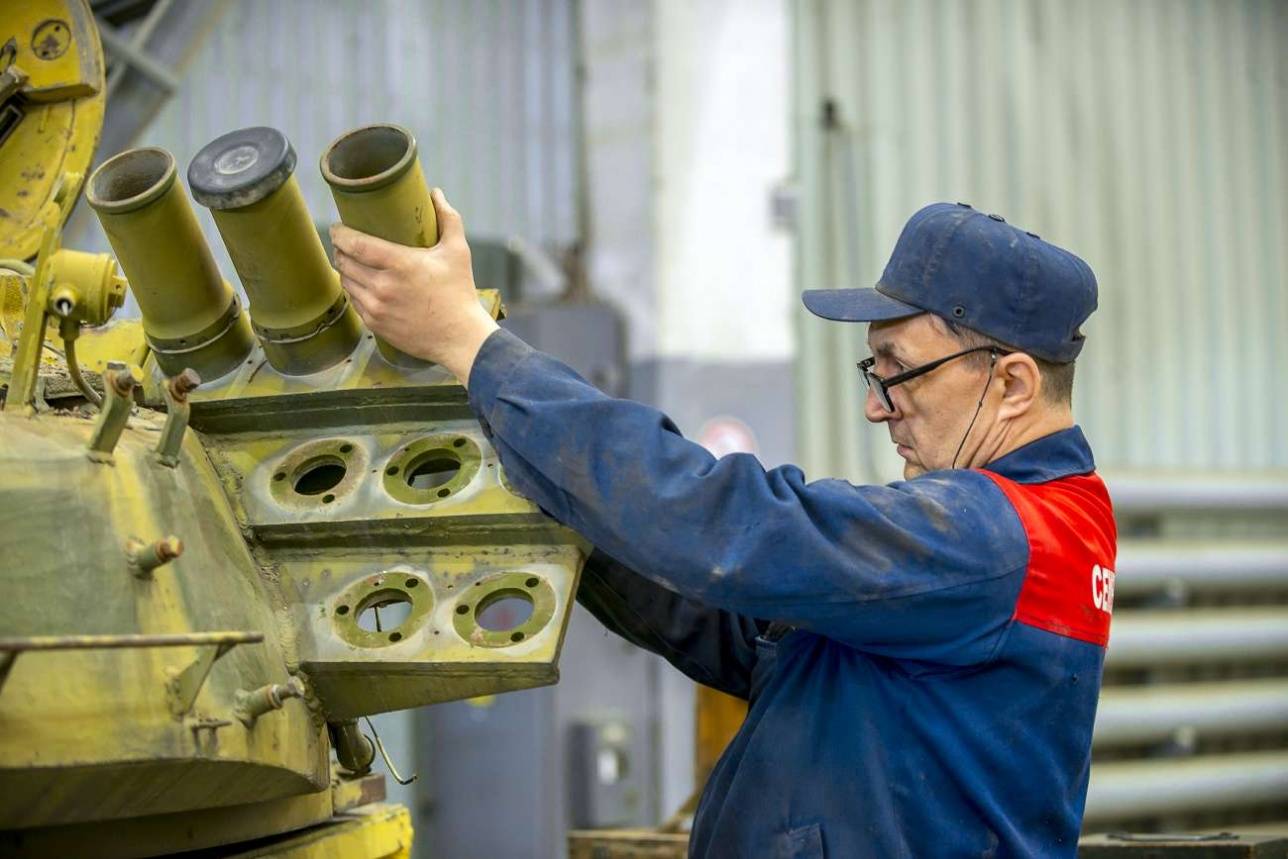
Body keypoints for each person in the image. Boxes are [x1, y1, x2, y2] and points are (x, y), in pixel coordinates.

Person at [331, 196, 1117, 858]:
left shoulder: (1002, 538)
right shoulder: (1009, 538)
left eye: (899, 367)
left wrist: (473, 345)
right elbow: (751, 635)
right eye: (871, 371)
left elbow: (726, 524)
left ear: (1011, 381)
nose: (877, 405)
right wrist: (564, 498)